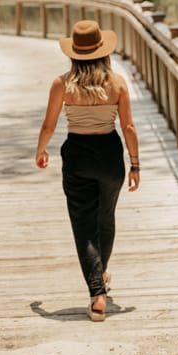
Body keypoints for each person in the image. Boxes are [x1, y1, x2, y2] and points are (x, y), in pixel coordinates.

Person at [35, 18, 140, 321]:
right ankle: (101, 275)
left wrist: (41, 150)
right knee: (105, 218)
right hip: (110, 155)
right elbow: (129, 127)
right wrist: (135, 164)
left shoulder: (62, 84)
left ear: (74, 53)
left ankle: (97, 294)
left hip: (78, 155)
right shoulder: (117, 83)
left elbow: (49, 124)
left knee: (84, 226)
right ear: (103, 51)